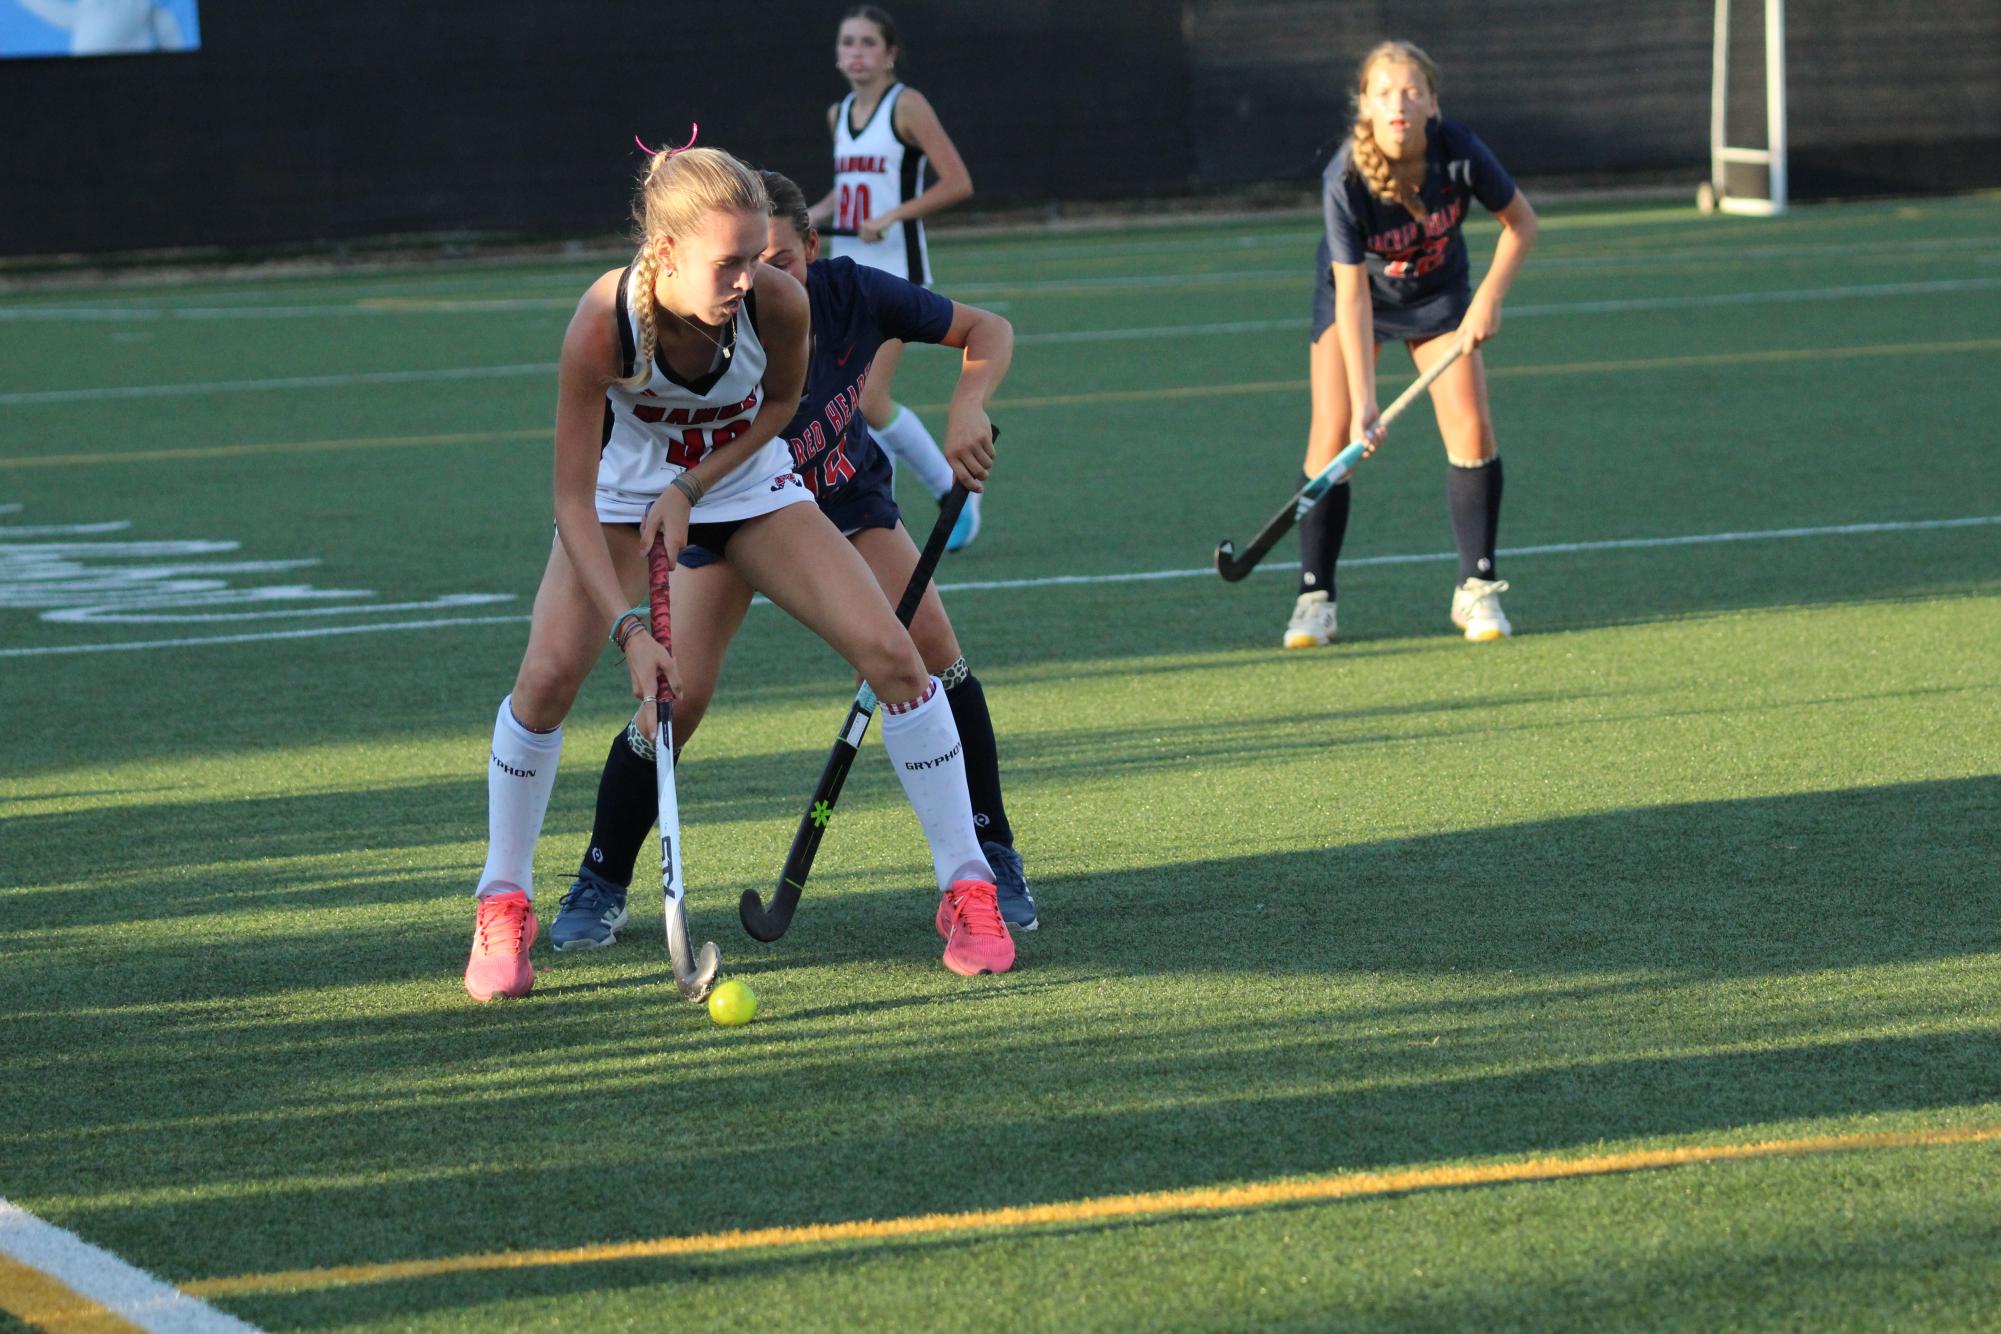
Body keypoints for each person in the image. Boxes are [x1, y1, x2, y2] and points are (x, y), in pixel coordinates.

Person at [464, 143, 1013, 1003]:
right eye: (728, 262)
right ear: (665, 253)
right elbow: (571, 501)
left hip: (745, 486)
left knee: (895, 655)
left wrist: (693, 484)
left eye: (757, 256)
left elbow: (783, 408)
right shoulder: (604, 322)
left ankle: (968, 889)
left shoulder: (778, 301)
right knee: (546, 678)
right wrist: (630, 631)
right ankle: (503, 900)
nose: (748, 278)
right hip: (613, 501)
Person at [1283, 40, 1537, 649]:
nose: (1399, 103)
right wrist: (1366, 403)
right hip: (1357, 299)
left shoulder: (1461, 152)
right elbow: (1352, 297)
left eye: (1412, 91)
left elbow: (1522, 224)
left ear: (1432, 103)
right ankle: (1315, 598)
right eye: (1385, 92)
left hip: (1441, 297)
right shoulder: (1344, 177)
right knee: (1332, 437)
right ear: (1364, 105)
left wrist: (1489, 299)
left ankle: (1476, 587)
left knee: (1472, 431)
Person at [808, 5, 984, 552]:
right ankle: (858, 506)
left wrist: (895, 215)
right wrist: (808, 215)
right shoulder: (839, 114)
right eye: (847, 42)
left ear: (890, 53)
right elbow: (851, 188)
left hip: (893, 276)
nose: (855, 52)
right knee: (842, 401)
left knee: (866, 398)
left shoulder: (906, 106)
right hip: (843, 276)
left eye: (866, 42)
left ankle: (958, 500)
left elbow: (957, 181)